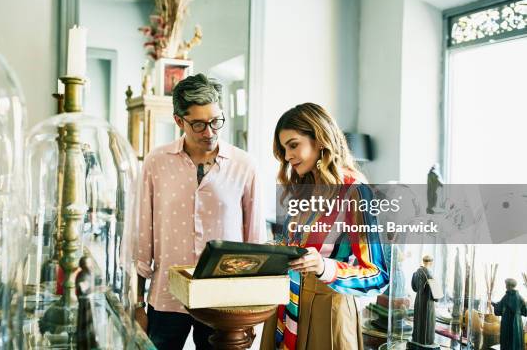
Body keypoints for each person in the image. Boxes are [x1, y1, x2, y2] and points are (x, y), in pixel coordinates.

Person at [136, 74, 265, 350]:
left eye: (216, 121)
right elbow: (141, 237)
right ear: (179, 121)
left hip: (223, 299)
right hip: (166, 297)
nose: (209, 132)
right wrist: (136, 304)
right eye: (198, 124)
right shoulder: (156, 163)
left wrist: (251, 311)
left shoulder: (245, 165)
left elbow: (255, 243)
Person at [261, 103, 388, 350]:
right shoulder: (305, 188)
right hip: (286, 305)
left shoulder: (355, 190)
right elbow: (293, 245)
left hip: (327, 314)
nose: (287, 156)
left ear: (319, 139)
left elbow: (377, 275)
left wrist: (323, 266)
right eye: (284, 148)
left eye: (293, 145)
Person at [410, 255, 438, 348]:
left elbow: (414, 288)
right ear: (431, 262)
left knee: (418, 319)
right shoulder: (430, 274)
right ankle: (426, 341)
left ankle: (416, 339)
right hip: (428, 302)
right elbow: (436, 295)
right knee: (427, 321)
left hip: (418, 300)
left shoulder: (416, 273)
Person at [493, 278, 527, 350]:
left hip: (506, 325)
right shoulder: (520, 298)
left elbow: (498, 311)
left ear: (509, 286)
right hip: (517, 326)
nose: (505, 287)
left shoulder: (506, 297)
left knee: (507, 344)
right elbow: (525, 312)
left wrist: (494, 304)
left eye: (506, 285)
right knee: (516, 344)